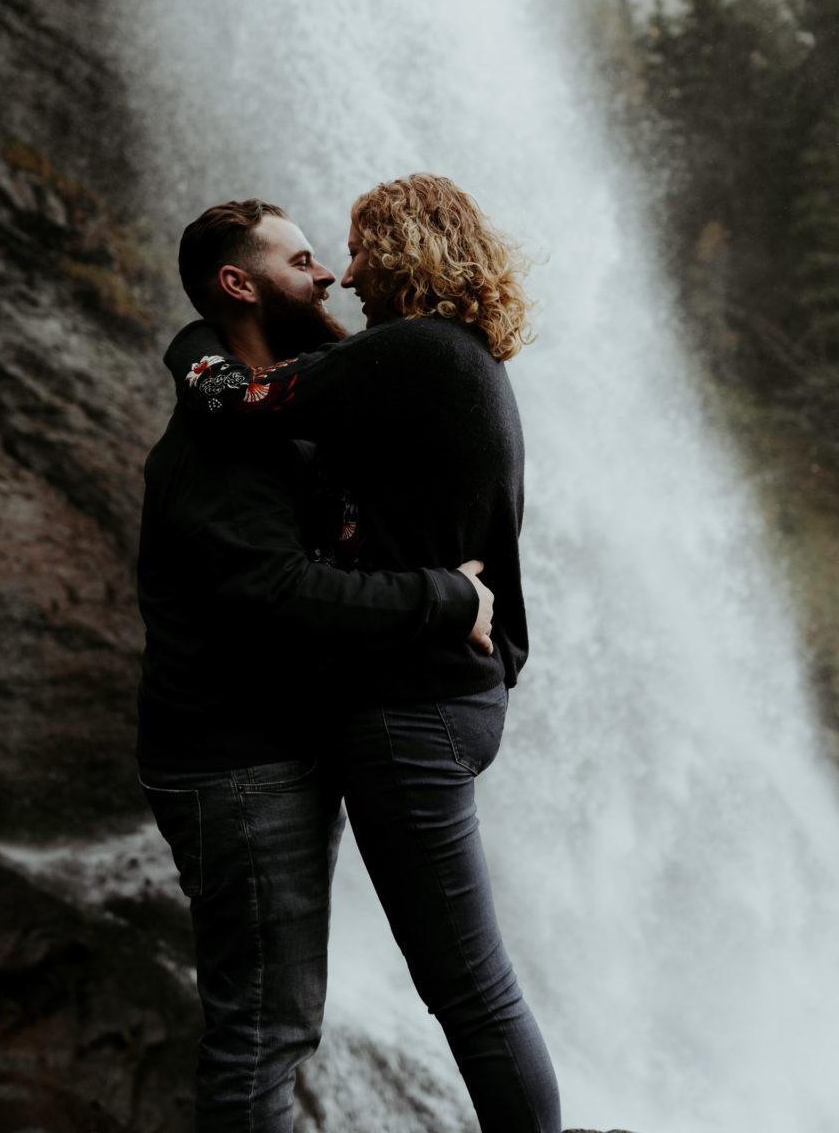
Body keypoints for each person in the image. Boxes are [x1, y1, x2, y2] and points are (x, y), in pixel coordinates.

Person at [166, 174, 562, 1133]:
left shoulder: (412, 351)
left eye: (355, 251)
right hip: (453, 695)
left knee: (468, 989)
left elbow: (235, 398)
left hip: (412, 708)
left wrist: (189, 340)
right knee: (471, 987)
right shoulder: (454, 354)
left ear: (403, 249)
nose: (344, 275)